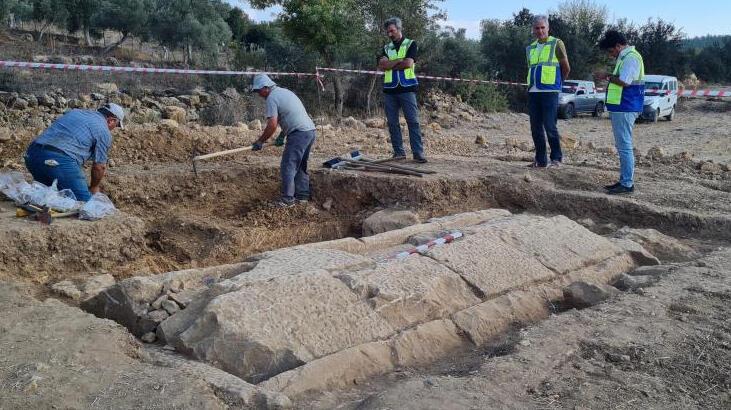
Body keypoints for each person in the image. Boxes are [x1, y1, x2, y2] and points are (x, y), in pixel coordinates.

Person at [24, 103, 124, 202]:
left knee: (50, 195)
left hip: (32, 155)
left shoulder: (75, 112)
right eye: (116, 125)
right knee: (85, 204)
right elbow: (99, 167)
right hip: (58, 160)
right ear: (111, 121)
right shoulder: (104, 131)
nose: (114, 129)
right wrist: (94, 187)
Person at [250, 74, 317, 207]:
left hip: (298, 134)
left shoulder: (272, 98)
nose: (259, 94)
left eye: (259, 91)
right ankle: (302, 196)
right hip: (309, 131)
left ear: (266, 87)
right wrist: (282, 136)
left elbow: (272, 125)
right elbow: (289, 116)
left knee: (288, 166)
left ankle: (287, 199)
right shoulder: (285, 92)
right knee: (300, 164)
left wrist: (260, 141)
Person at [595, 30, 645, 195]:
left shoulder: (631, 57)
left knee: (624, 146)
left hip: (626, 106)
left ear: (618, 45)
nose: (611, 55)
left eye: (611, 51)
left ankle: (627, 183)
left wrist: (607, 76)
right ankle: (624, 181)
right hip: (622, 106)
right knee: (623, 145)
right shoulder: (625, 57)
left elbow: (624, 81)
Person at [378, 17, 427, 163]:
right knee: (392, 123)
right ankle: (399, 153)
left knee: (413, 121)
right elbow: (382, 65)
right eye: (387, 32)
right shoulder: (386, 48)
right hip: (390, 90)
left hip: (407, 89)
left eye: (392, 31)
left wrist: (391, 63)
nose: (389, 34)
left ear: (399, 29)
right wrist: (399, 61)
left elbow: (408, 63)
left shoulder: (411, 44)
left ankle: (418, 153)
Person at [526, 15, 570, 168]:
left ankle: (557, 158)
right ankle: (540, 160)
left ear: (548, 28)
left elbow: (566, 68)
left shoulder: (556, 44)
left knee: (550, 126)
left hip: (550, 92)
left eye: (542, 27)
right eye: (537, 28)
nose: (540, 31)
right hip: (533, 92)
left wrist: (558, 84)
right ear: (533, 29)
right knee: (535, 127)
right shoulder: (530, 48)